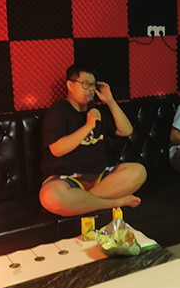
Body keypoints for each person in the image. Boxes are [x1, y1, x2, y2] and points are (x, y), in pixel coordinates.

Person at [40, 64, 147, 216]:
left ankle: (84, 202)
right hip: (67, 178)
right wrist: (88, 126)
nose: (90, 89)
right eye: (85, 84)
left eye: (93, 85)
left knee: (139, 172)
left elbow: (126, 131)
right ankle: (115, 203)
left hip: (101, 178)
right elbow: (57, 150)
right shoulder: (59, 111)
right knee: (50, 196)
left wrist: (110, 101)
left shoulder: (97, 112)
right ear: (70, 85)